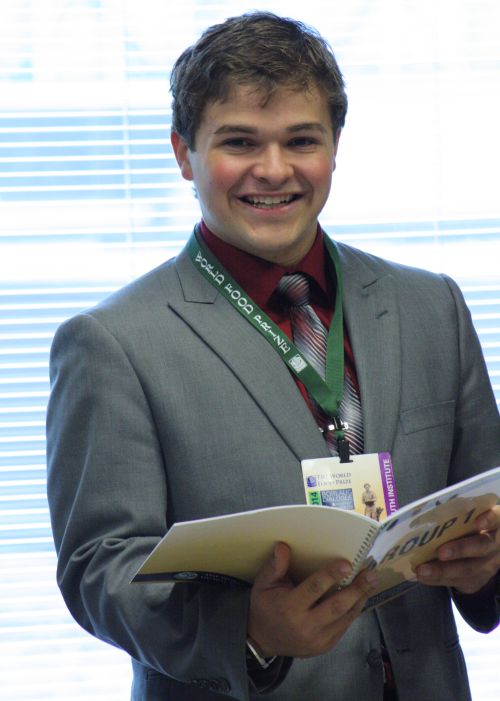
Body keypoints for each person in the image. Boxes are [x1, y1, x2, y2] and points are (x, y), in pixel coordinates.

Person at [46, 11, 500, 701]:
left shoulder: (432, 305)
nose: (274, 169)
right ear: (181, 152)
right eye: (239, 142)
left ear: (335, 147)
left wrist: (486, 563)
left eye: (301, 140)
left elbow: (486, 504)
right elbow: (97, 568)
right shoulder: (112, 343)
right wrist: (248, 628)